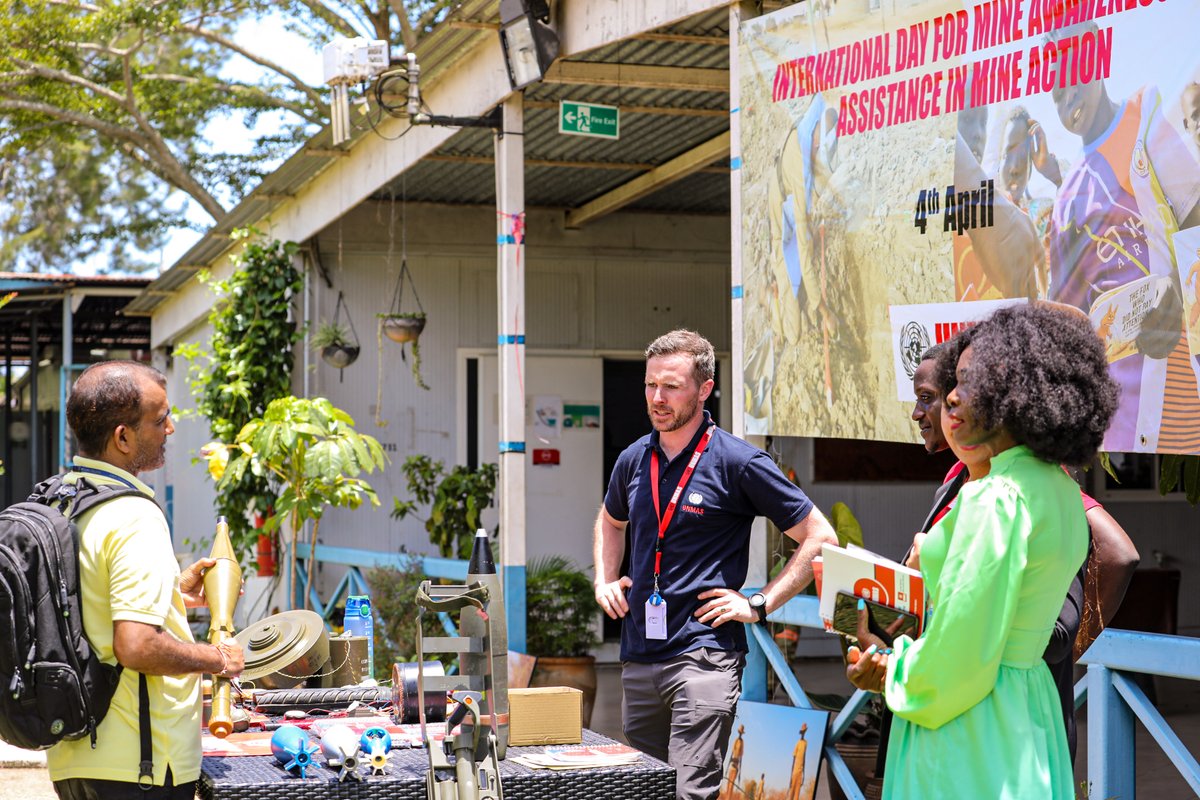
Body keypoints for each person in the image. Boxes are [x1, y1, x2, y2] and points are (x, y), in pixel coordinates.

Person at [847, 303, 1119, 798]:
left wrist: (891, 670)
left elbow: (961, 657)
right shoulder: (1056, 488)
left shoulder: (996, 498)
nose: (952, 395)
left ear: (1016, 391)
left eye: (969, 381)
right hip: (1029, 709)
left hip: (970, 727)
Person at [594, 329, 837, 800]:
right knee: (645, 789)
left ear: (705, 388)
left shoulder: (738, 462)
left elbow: (820, 537)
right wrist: (604, 579)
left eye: (671, 386)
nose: (657, 398)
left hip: (705, 655)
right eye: (650, 385)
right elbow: (610, 520)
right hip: (639, 654)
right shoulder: (633, 459)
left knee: (690, 789)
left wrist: (759, 604)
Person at [896, 342, 1138, 764]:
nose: (922, 412)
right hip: (978, 713)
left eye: (930, 397)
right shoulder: (962, 481)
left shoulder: (1013, 492)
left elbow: (1116, 556)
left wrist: (1039, 647)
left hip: (1000, 724)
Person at [49, 361, 245, 800]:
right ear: (122, 437)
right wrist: (216, 658)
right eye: (160, 420)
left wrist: (171, 594)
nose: (170, 429)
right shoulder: (133, 514)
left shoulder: (66, 500)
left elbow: (87, 602)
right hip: (142, 764)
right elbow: (136, 645)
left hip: (76, 757)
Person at [1046, 22, 1200, 453]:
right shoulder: (1065, 200)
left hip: (1178, 389)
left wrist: (1180, 294)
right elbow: (1067, 318)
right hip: (1117, 423)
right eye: (1055, 88)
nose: (1065, 95)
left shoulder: (1143, 116)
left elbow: (1195, 217)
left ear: (1096, 60)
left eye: (1072, 76)